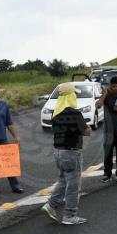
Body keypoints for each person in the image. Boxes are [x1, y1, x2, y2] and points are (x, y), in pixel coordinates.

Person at [42, 83, 91, 225]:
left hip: (58, 152)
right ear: (71, 96)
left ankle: (50, 205)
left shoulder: (55, 113)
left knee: (63, 180)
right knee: (74, 185)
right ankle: (69, 215)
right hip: (71, 152)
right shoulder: (75, 113)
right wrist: (87, 129)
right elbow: (86, 131)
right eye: (74, 94)